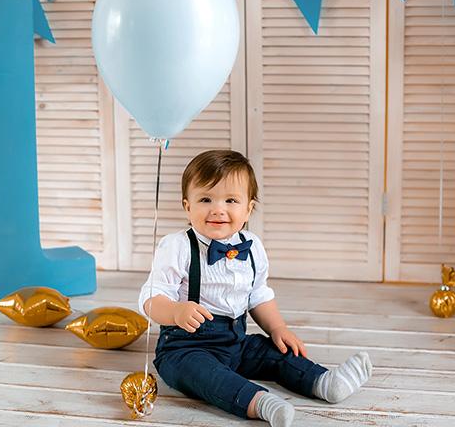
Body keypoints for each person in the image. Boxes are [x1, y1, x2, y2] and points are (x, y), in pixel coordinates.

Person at [138, 150, 371, 426]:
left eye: (231, 200)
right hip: (185, 347)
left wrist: (277, 328)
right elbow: (151, 297)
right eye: (205, 199)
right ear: (187, 206)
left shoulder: (252, 247)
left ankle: (323, 382)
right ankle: (259, 402)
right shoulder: (177, 246)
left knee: (275, 352)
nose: (218, 209)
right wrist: (176, 311)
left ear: (248, 209)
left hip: (235, 341)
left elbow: (258, 295)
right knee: (205, 374)